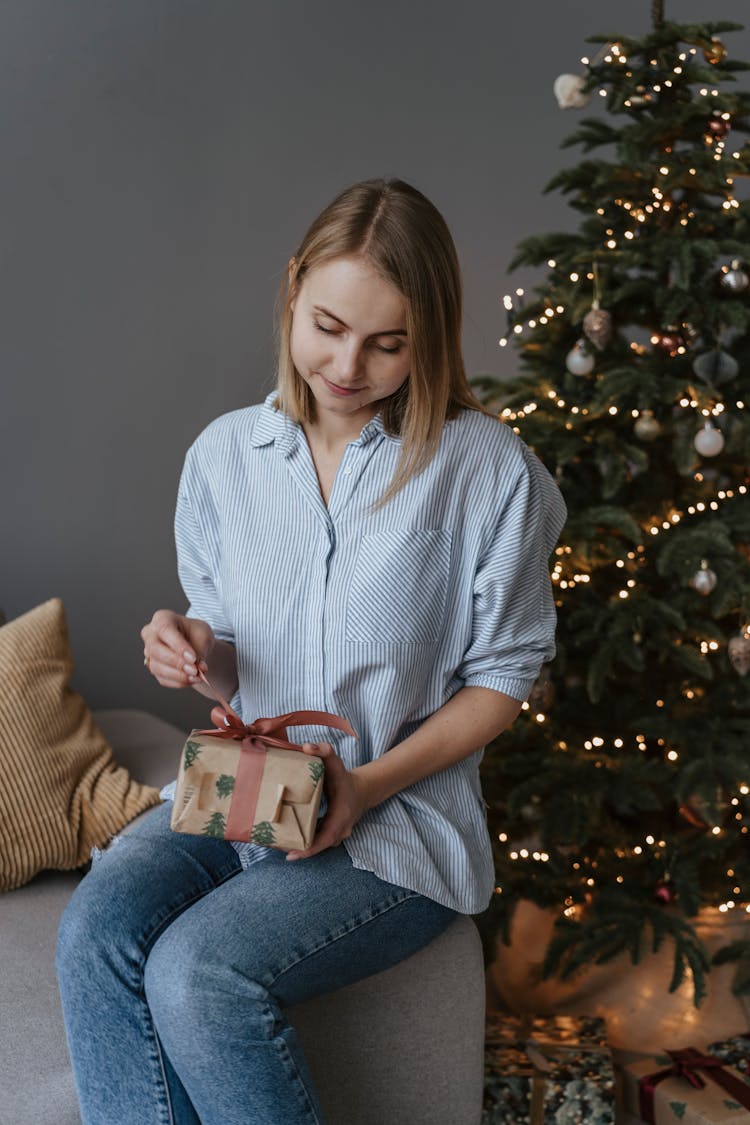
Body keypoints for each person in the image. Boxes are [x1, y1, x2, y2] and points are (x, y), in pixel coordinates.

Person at [56, 178, 567, 1125]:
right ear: (293, 289)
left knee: (199, 974)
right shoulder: (224, 457)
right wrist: (194, 648)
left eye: (388, 342)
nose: (348, 363)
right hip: (242, 793)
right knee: (95, 927)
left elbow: (503, 677)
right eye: (329, 325)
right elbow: (230, 637)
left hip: (396, 823)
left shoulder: (491, 474)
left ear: (433, 336)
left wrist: (365, 786)